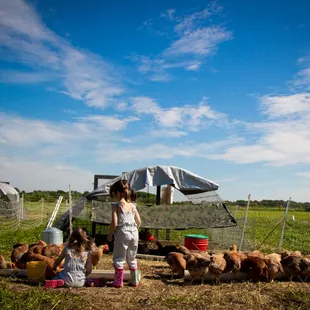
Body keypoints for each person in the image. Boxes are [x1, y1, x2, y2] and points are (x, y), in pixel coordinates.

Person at [107, 179, 141, 288]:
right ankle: (135, 281)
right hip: (134, 232)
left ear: (117, 193)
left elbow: (115, 222)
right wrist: (134, 230)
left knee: (119, 257)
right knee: (132, 257)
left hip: (123, 232)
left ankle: (118, 281)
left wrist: (110, 234)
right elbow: (139, 222)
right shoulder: (133, 205)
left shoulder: (116, 205)